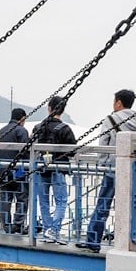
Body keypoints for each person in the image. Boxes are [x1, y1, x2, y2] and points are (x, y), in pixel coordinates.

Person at [78, 89, 136, 253]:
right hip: (135, 170)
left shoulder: (110, 119)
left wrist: (103, 164)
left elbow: (103, 145)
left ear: (118, 103)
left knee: (103, 204)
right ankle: (133, 241)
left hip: (113, 169)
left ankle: (93, 241)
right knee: (134, 205)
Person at [33, 96, 75, 243]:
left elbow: (31, 147)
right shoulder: (65, 129)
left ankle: (47, 229)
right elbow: (72, 151)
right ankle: (54, 230)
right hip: (59, 168)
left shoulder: (38, 127)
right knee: (61, 201)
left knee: (43, 201)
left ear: (49, 108)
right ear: (62, 110)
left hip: (40, 168)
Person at [0, 107, 31, 234]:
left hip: (3, 171)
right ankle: (18, 225)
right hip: (18, 171)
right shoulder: (22, 131)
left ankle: (6, 225)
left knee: (5, 198)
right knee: (22, 198)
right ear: (22, 118)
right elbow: (25, 151)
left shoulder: (1, 131)